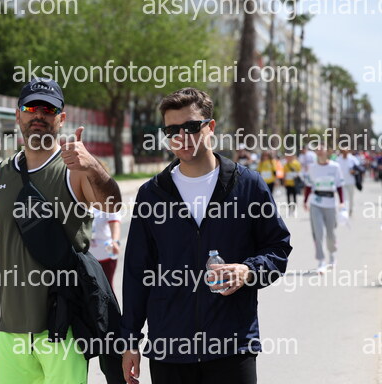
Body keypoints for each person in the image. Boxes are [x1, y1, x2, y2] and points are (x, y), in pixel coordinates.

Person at [0, 78, 122, 384]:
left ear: (61, 118)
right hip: (11, 332)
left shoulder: (75, 171)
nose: (39, 115)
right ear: (18, 115)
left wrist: (93, 167)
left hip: (63, 329)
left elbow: (112, 205)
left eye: (48, 109)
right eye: (31, 108)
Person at [121, 88, 292, 384]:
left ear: (210, 127)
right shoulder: (151, 194)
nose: (181, 137)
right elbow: (137, 272)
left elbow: (278, 248)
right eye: (172, 130)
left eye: (190, 126)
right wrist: (130, 340)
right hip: (169, 349)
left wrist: (248, 271)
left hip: (232, 346)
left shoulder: (248, 185)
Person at [303, 145, 344, 273]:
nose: (319, 151)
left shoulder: (335, 167)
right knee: (318, 232)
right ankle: (321, 260)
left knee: (331, 233)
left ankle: (332, 255)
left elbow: (339, 185)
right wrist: (305, 201)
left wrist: (342, 202)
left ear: (327, 151)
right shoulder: (312, 168)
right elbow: (308, 186)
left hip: (330, 203)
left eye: (322, 148)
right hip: (316, 202)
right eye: (317, 149)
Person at [89, 206, 122, 288]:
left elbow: (115, 223)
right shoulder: (82, 203)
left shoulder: (107, 203)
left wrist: (115, 241)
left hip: (106, 252)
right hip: (87, 255)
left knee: (107, 286)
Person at [336, 147, 361, 216]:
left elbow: (359, 168)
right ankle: (345, 210)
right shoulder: (338, 159)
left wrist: (354, 171)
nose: (345, 153)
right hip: (342, 182)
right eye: (343, 151)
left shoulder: (352, 159)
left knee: (351, 197)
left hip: (351, 182)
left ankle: (351, 209)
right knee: (344, 197)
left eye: (346, 151)